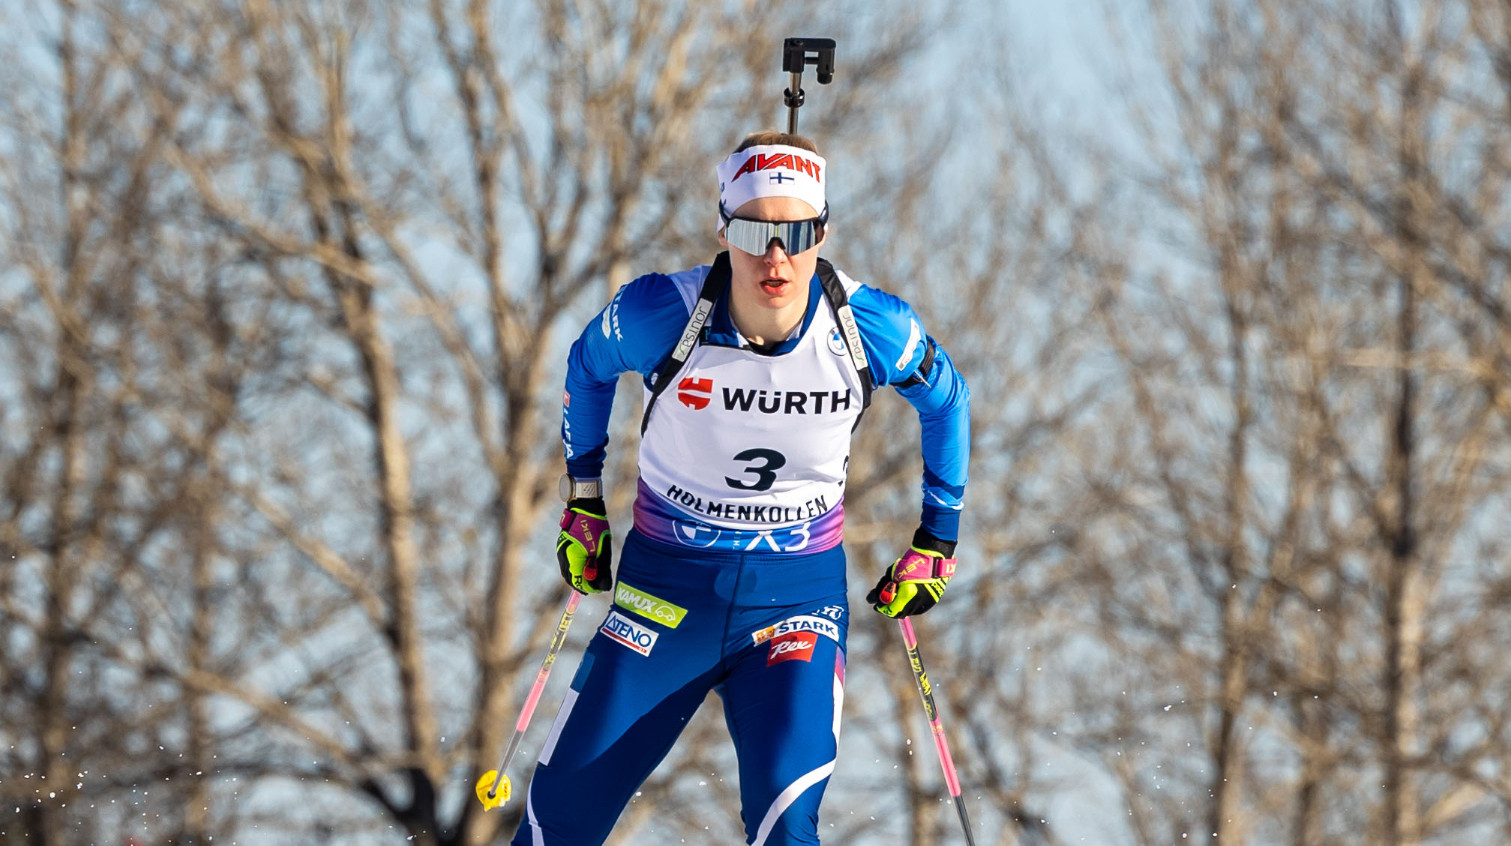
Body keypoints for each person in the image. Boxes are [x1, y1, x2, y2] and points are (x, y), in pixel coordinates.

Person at [512, 130, 971, 846]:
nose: (775, 256)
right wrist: (583, 500)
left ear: (823, 232)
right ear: (723, 230)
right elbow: (587, 367)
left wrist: (936, 540)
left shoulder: (868, 328)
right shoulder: (662, 313)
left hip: (795, 602)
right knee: (557, 821)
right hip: (666, 594)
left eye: (796, 232)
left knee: (787, 820)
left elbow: (947, 401)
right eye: (755, 232)